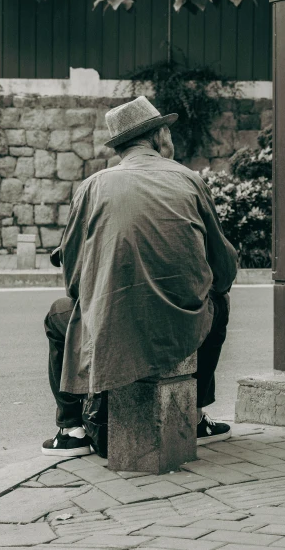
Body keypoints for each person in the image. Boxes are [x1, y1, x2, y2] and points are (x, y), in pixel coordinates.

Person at [42, 95, 238, 457]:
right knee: (220, 303)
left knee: (58, 316)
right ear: (160, 135)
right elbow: (223, 271)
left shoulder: (93, 186)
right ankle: (194, 415)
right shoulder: (190, 180)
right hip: (183, 325)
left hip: (112, 324)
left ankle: (70, 429)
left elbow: (73, 280)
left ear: (120, 147)